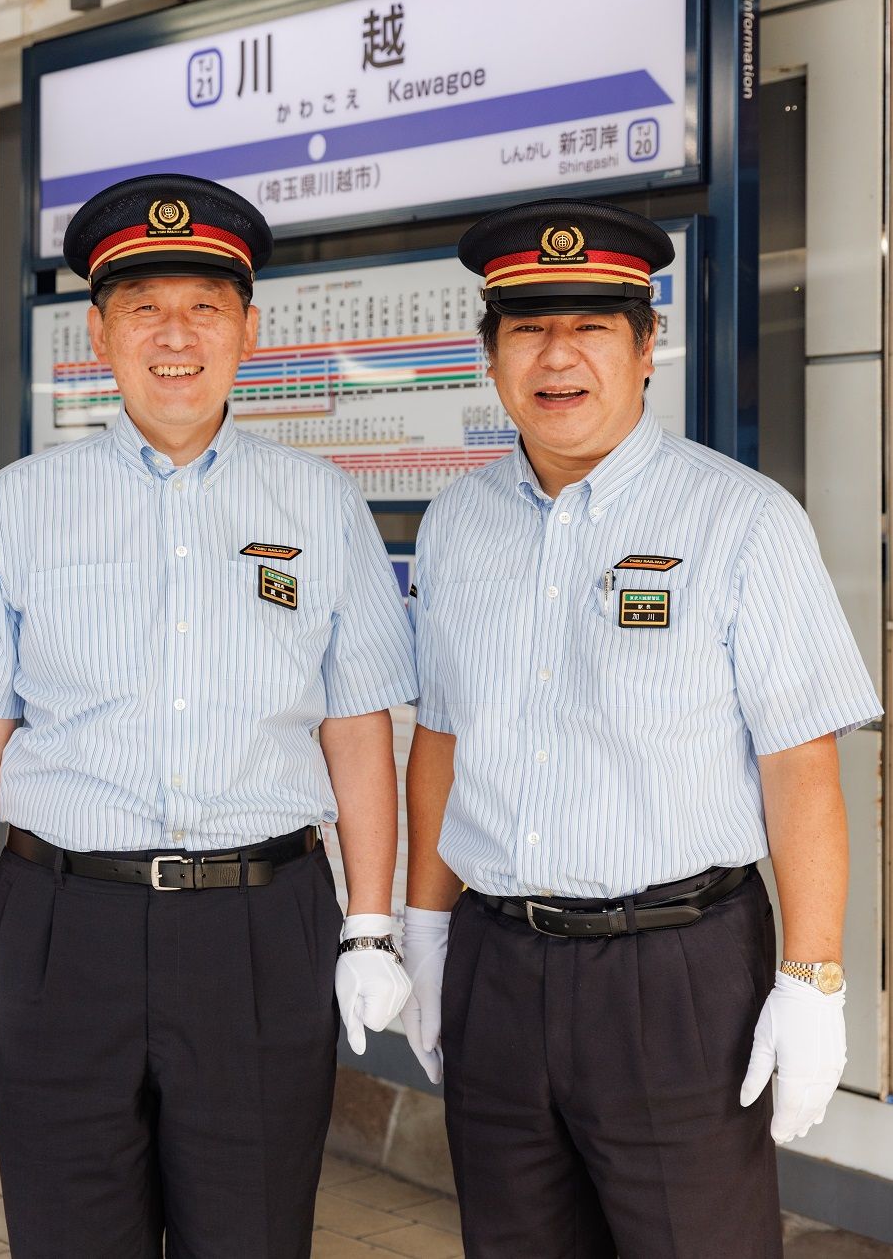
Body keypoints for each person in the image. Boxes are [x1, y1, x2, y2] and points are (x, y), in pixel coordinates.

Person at [0, 174, 417, 1259]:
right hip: (57, 923)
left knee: (253, 1236)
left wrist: (369, 923)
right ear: (98, 333)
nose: (174, 338)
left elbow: (358, 726)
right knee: (69, 1234)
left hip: (259, 928)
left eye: (202, 309)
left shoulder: (318, 504)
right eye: (144, 310)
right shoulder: (23, 503)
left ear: (248, 329)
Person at [400, 197, 881, 1259]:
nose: (556, 356)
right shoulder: (457, 521)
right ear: (490, 354)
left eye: (591, 328)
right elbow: (440, 739)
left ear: (647, 344)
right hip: (497, 958)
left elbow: (801, 770)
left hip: (675, 974)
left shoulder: (742, 521)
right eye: (527, 328)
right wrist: (425, 932)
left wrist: (811, 980)